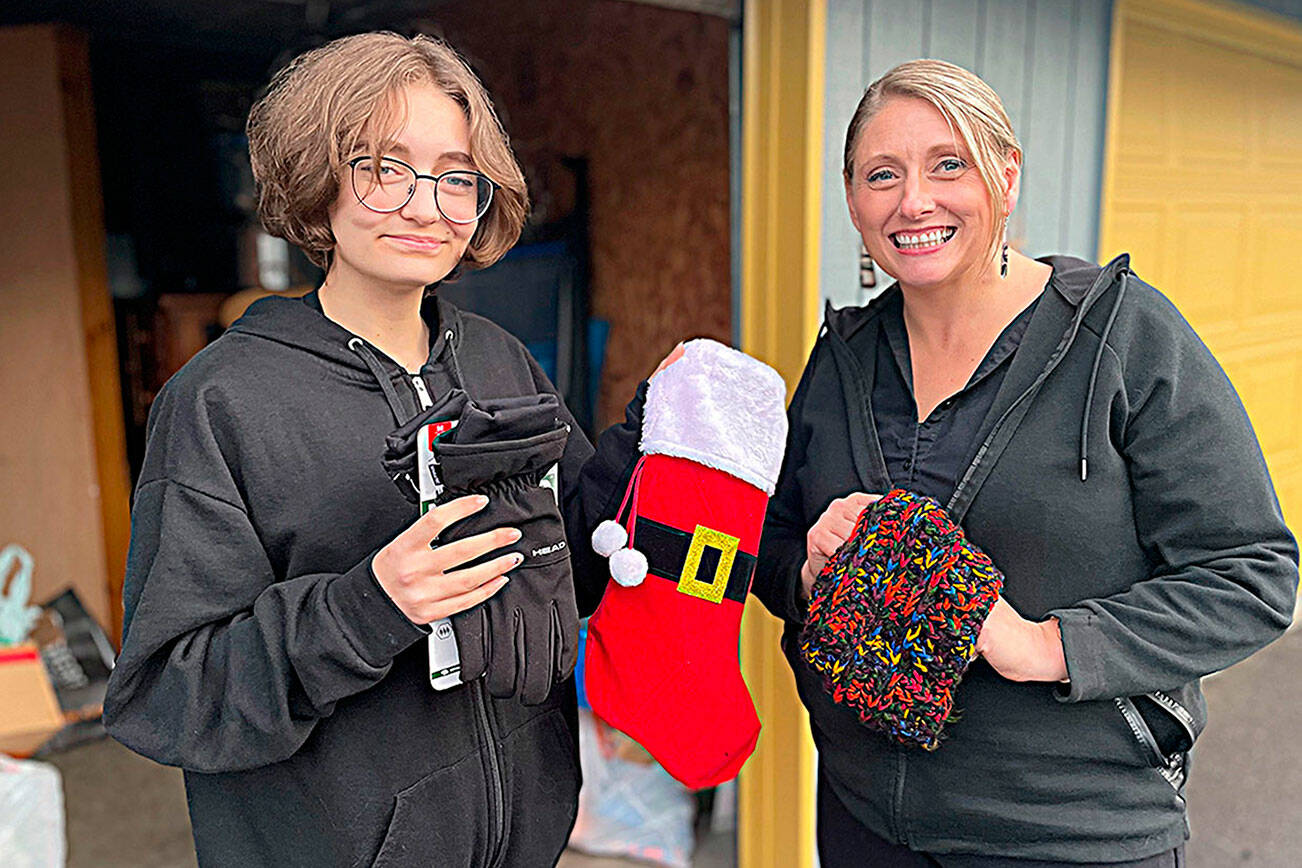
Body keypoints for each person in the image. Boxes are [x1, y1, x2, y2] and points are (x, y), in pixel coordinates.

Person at [103, 32, 666, 867]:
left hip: (524, 843)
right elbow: (168, 694)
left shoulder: (498, 360)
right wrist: (367, 607)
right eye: (382, 167)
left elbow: (572, 564)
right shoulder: (223, 403)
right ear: (319, 178)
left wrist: (657, 446)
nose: (425, 204)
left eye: (454, 176)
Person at [752, 59, 1299, 867]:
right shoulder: (844, 359)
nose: (915, 200)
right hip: (864, 820)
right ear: (853, 201)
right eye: (882, 175)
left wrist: (1045, 645)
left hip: (1069, 832)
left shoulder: (1122, 337)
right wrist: (806, 565)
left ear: (1005, 177)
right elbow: (767, 549)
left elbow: (1251, 574)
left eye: (950, 164)